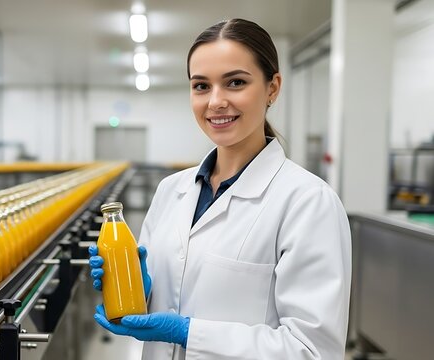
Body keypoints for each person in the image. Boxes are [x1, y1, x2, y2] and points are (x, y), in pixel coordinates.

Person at [88, 18, 351, 359]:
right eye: (201, 86)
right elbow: (177, 296)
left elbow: (312, 351)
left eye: (235, 83)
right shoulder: (171, 191)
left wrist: (188, 333)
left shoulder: (308, 203)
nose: (215, 102)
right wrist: (140, 291)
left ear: (272, 88)